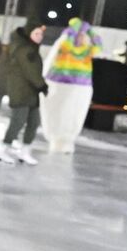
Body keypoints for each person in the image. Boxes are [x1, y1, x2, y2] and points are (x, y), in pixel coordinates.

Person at [0, 23, 47, 164]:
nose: (40, 37)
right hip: (20, 91)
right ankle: (3, 149)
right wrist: (42, 85)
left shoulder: (32, 49)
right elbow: (30, 71)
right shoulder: (25, 50)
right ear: (28, 34)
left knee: (34, 122)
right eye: (36, 34)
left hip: (31, 91)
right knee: (18, 121)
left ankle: (25, 151)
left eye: (41, 34)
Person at [40, 18, 101, 154]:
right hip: (62, 84)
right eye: (79, 35)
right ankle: (56, 140)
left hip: (79, 86)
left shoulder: (88, 51)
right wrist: (76, 29)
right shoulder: (66, 47)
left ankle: (66, 142)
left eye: (83, 36)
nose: (81, 38)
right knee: (60, 112)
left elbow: (98, 44)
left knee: (72, 115)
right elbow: (65, 40)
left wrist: (88, 31)